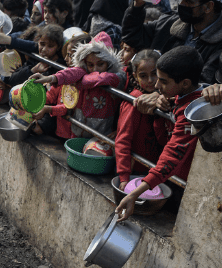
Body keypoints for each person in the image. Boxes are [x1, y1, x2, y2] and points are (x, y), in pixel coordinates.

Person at [115, 46, 204, 221]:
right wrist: (160, 115)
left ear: (185, 83)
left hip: (183, 182)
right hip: (170, 176)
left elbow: (172, 155)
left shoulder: (192, 111)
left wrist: (135, 193)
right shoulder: (176, 98)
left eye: (162, 81)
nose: (156, 85)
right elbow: (164, 140)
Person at [121, 0, 222, 86]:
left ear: (208, 7)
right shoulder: (169, 23)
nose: (182, 4)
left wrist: (167, 93)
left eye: (188, 1)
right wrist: (137, 5)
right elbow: (132, 36)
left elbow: (205, 84)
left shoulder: (219, 44)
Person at [30, 32, 123, 139]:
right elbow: (72, 73)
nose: (95, 69)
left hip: (100, 138)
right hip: (76, 133)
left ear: (109, 63)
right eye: (90, 65)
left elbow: (98, 78)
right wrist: (51, 78)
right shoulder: (78, 74)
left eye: (100, 64)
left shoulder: (116, 77)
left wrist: (79, 82)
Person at [114, 49, 163, 190]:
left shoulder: (164, 99)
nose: (150, 80)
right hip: (135, 171)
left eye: (154, 74)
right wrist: (124, 176)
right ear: (135, 76)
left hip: (153, 170)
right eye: (143, 76)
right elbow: (123, 140)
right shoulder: (134, 102)